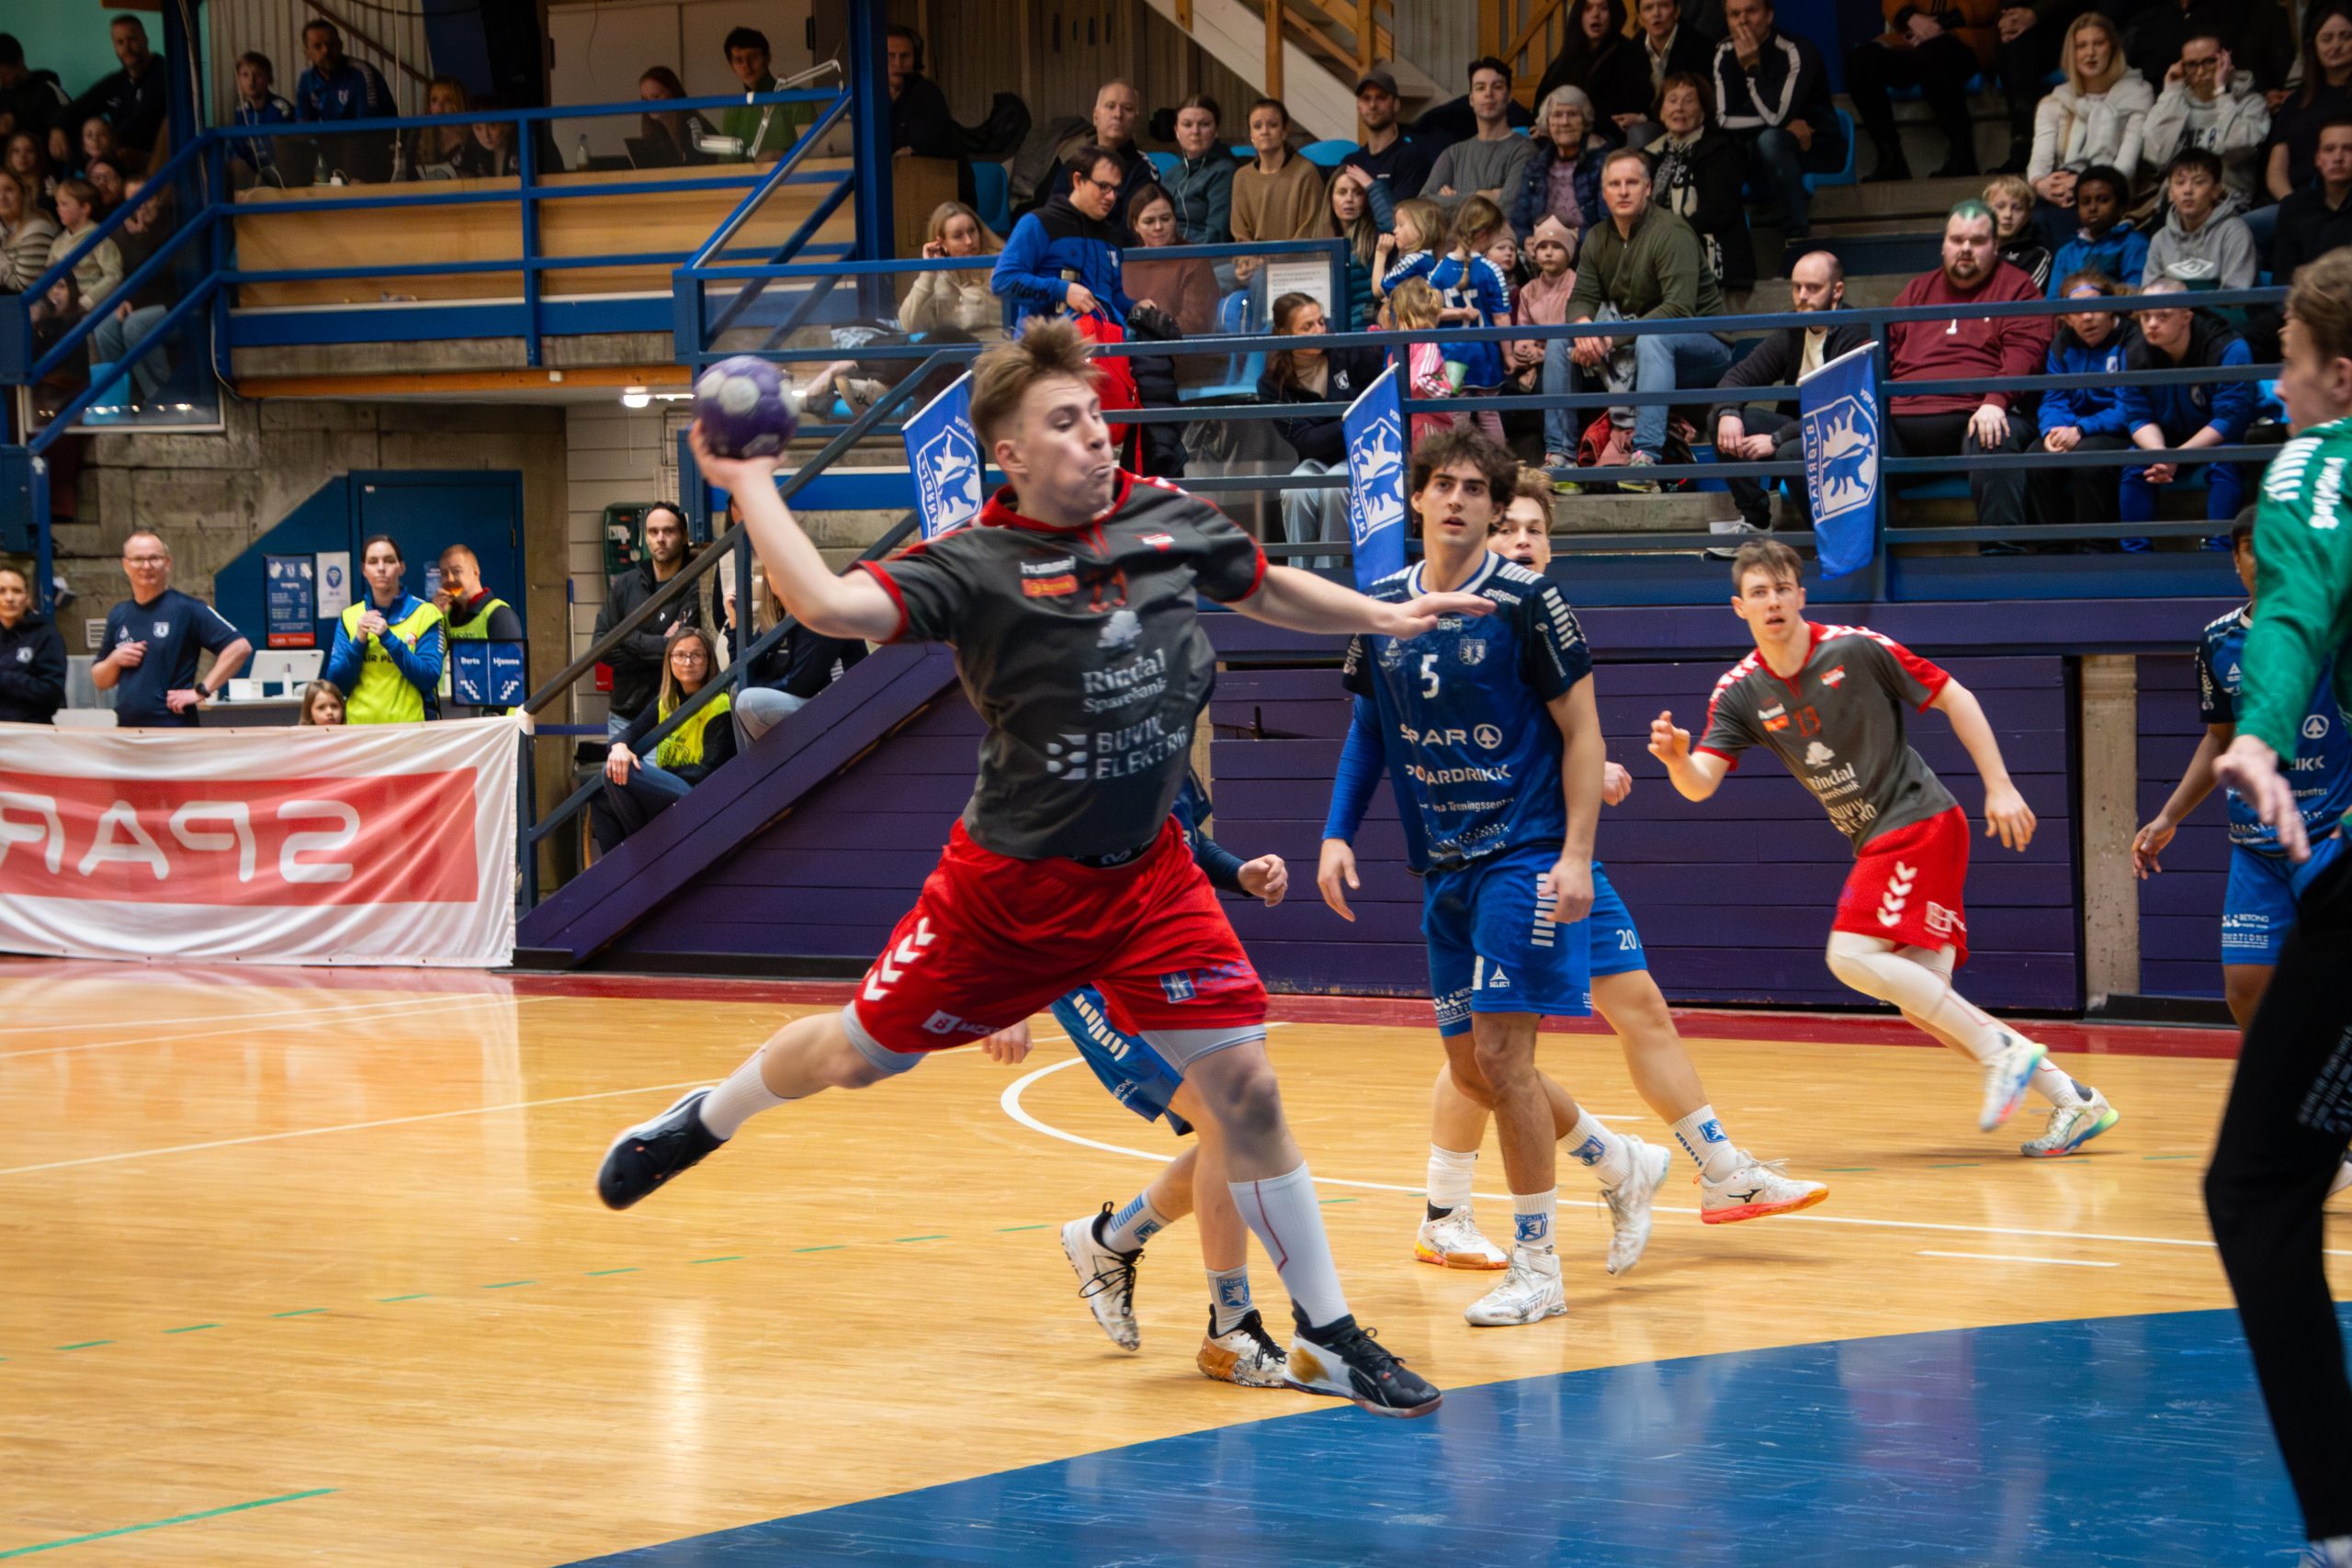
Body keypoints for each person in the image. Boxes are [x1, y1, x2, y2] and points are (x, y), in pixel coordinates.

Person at [597, 320, 1474, 1418]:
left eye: (1096, 414)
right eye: (1065, 423)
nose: (1095, 435)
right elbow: (827, 605)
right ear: (1008, 453)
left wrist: (1384, 614)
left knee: (1246, 1091)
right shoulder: (973, 565)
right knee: (855, 1056)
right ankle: (704, 1118)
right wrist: (748, 481)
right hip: (1009, 896)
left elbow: (1262, 586)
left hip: (1149, 878)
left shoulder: (1160, 515)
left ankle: (1326, 1334)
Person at [1385, 470, 1830, 1273]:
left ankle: (1722, 1170)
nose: (1523, 541)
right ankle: (1450, 1208)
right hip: (1495, 857)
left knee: (1638, 1006)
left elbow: (1551, 735)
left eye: (1536, 531)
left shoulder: (1538, 612)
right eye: (1509, 528)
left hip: (1557, 852)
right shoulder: (1453, 615)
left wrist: (1593, 773)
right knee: (1485, 1048)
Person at [1317, 429, 1677, 1326]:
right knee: (1473, 1070)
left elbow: (1584, 731)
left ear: (1491, 505)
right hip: (1440, 867)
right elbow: (1369, 730)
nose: (1457, 498)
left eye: (1475, 488)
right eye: (1442, 483)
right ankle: (1618, 1162)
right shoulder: (1383, 603)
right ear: (1415, 497)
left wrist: (1576, 854)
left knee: (1506, 1059)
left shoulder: (1527, 599)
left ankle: (1538, 1266)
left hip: (1523, 857)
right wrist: (1336, 834)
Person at [1650, 537, 2120, 1155]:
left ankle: (2005, 1053)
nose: (1773, 602)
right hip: (1882, 837)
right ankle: (2075, 1099)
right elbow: (1699, 785)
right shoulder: (1740, 691)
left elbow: (1955, 695)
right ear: (1740, 606)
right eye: (1759, 593)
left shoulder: (1854, 648)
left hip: (1920, 821)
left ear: (1801, 595)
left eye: (1783, 588)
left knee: (1848, 955)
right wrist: (1678, 760)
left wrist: (2000, 785)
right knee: (1924, 1004)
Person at [2201, 244, 2352, 1568]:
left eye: (2290, 366)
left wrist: (2258, 730)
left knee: (2253, 1191)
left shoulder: (2317, 463)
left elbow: (2293, 608)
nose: (2280, 387)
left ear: (2337, 375)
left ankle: (2339, 1528)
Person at [1032, 775, 1297, 1385]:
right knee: (1226, 1120)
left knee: (1237, 1125)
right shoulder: (1058, 743)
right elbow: (1005, 869)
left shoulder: (1164, 730)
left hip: (1166, 953)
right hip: (1090, 967)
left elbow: (1183, 838)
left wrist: (1240, 873)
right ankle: (1229, 1327)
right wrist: (1007, 995)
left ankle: (1112, 1240)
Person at [2137, 511, 2352, 1032]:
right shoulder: (2218, 640)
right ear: (2236, 559)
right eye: (2254, 546)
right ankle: (2285, 1081)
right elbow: (2220, 738)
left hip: (2330, 836)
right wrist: (2169, 817)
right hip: (2255, 847)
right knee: (2245, 988)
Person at [1564, 148, 1733, 486]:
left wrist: (1608, 337)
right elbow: (1582, 297)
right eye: (1614, 184)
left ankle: (1646, 459)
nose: (1623, 191)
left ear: (1648, 188)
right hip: (1636, 342)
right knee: (1560, 343)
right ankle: (1560, 458)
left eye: (1632, 182)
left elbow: (1678, 309)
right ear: (1604, 192)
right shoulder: (1597, 237)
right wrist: (1584, 328)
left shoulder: (1672, 232)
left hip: (1704, 346)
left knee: (1653, 339)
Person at [1884, 201, 2050, 542]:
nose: (1966, 249)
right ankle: (1864, 561)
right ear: (1943, 245)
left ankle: (2002, 556)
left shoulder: (2018, 288)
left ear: (1996, 245)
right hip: (1903, 418)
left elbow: (2026, 352)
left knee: (1994, 436)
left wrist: (1996, 401)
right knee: (1838, 446)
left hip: (1977, 413)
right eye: (1957, 240)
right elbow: (1881, 346)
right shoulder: (1917, 290)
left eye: (1977, 241)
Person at [1710, 251, 1867, 536]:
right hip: (1799, 430)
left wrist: (1777, 438)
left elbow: (1841, 409)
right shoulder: (1794, 328)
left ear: (1837, 291)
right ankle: (1756, 521)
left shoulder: (1854, 331)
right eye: (1796, 287)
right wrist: (1729, 412)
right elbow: (1739, 376)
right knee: (1720, 418)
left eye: (1813, 288)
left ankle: (1830, 538)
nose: (1802, 296)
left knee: (1789, 452)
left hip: (1842, 432)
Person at [1257, 292, 1385, 569]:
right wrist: (1350, 418)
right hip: (1315, 458)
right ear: (1284, 334)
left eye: (1321, 322)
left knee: (1335, 487)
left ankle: (1328, 575)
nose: (1319, 330)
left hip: (1360, 452)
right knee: (1295, 489)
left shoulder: (1349, 352)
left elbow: (1376, 407)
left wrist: (1345, 423)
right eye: (1308, 326)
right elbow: (1307, 442)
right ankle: (1300, 576)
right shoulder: (1271, 381)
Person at [2120, 277, 2253, 529]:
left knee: (2227, 460)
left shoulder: (2228, 348)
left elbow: (2229, 419)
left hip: (2216, 440)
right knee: (2134, 460)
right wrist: (2160, 453)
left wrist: (2179, 456)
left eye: (2163, 316)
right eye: (2145, 316)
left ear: (2186, 317)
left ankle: (2218, 547)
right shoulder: (2135, 351)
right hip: (2166, 440)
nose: (2152, 324)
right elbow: (2138, 415)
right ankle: (2134, 550)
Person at [593, 624, 735, 852]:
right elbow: (630, 732)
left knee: (622, 774)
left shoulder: (719, 704)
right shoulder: (666, 702)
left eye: (696, 655)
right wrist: (619, 747)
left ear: (709, 660)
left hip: (699, 793)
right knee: (601, 792)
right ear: (669, 660)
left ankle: (643, 850)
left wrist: (658, 776)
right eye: (680, 655)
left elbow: (709, 770)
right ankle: (632, 857)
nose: (687, 662)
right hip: (670, 789)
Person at [91, 532, 250, 728]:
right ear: (126, 565)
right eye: (138, 559)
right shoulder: (119, 613)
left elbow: (239, 647)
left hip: (174, 730)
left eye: (154, 558)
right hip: (128, 730)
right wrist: (114, 660)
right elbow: (100, 681)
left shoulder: (187, 609)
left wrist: (201, 691)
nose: (146, 566)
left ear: (167, 563)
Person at [1713, 0, 1842, 241]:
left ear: (1769, 15)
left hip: (1813, 146)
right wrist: (1781, 124)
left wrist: (1752, 69)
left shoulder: (1796, 50)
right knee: (1720, 147)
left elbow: (1776, 115)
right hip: (1756, 146)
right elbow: (1723, 119)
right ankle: (1724, 243)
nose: (1742, 21)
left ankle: (1796, 236)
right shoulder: (1725, 52)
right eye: (1734, 14)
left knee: (1771, 139)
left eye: (1751, 11)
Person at [592, 502, 708, 736]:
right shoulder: (626, 584)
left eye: (669, 531)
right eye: (653, 532)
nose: (660, 539)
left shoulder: (696, 585)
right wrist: (664, 650)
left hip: (675, 713)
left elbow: (684, 649)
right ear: (645, 537)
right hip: (624, 714)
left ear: (684, 536)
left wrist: (626, 637)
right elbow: (601, 646)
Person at [2030, 16, 2155, 231]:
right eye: (2081, 46)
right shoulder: (2055, 101)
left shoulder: (2137, 93)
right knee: (2041, 217)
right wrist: (2042, 184)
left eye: (2098, 43)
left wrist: (2082, 183)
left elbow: (2126, 166)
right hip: (2064, 192)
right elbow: (2039, 162)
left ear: (2113, 48)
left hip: (2113, 191)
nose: (2090, 53)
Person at [2031, 271, 2137, 529]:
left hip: (2122, 430)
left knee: (2088, 462)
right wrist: (2053, 430)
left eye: (2095, 307)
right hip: (2074, 427)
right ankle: (2051, 547)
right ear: (2067, 319)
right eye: (2077, 312)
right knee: (2036, 459)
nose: (2087, 317)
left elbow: (2130, 406)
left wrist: (2080, 430)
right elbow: (2054, 398)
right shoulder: (2062, 343)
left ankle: (2096, 546)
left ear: (2110, 308)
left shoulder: (2132, 339)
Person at [721, 567, 868, 746]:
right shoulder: (778, 618)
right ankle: (761, 763)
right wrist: (735, 624)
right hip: (807, 706)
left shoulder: (824, 610)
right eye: (774, 566)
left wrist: (754, 685)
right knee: (738, 691)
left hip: (841, 706)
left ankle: (764, 763)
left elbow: (800, 684)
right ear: (767, 578)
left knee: (748, 701)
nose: (783, 569)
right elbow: (743, 672)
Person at [1847, 0, 1988, 180]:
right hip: (1911, 36)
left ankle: (1962, 154)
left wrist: (1937, 25)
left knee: (1934, 54)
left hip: (1964, 37)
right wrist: (1910, 17)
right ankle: (1891, 159)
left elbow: (1987, 7)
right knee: (1861, 61)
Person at [2253, 115, 2352, 357]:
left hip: (2348, 309)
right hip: (2302, 307)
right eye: (2329, 149)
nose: (2338, 157)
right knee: (2246, 339)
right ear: (2318, 158)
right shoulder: (2294, 208)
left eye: (2348, 149)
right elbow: (2283, 274)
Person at [1645, 72, 1755, 289]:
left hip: (1710, 259)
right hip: (1660, 255)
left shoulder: (1722, 151)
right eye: (1672, 100)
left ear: (1703, 111)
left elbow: (1717, 213)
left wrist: (1668, 236)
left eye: (1689, 101)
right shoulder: (1649, 156)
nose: (1679, 108)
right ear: (1661, 111)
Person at [323, 535, 444, 724]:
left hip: (412, 729)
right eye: (373, 562)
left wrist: (389, 639)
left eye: (388, 560)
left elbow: (429, 678)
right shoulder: (349, 617)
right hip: (359, 730)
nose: (381, 568)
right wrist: (358, 642)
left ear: (401, 567)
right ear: (364, 570)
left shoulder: (426, 613)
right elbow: (337, 686)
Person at [2143, 31, 2273, 201]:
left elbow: (2234, 147)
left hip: (2228, 201)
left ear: (2226, 59)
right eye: (2192, 64)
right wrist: (2171, 92)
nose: (2200, 71)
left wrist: (2221, 91)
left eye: (2210, 61)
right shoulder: (2176, 101)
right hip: (2177, 203)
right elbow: (2156, 156)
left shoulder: (2251, 103)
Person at [85, 183, 173, 406]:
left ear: (158, 199)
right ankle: (125, 399)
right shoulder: (121, 234)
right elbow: (125, 276)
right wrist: (123, 300)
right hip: (140, 303)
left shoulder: (171, 223)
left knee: (135, 326)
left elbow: (168, 274)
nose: (141, 206)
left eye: (147, 198)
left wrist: (143, 238)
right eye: (134, 200)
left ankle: (160, 399)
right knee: (104, 329)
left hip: (174, 302)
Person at [1229, 97, 1324, 293]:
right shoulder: (1241, 177)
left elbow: (1309, 231)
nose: (1264, 131)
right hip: (1254, 265)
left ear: (1285, 130)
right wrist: (1245, 263)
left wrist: (1270, 261)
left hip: (1295, 265)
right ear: (1251, 134)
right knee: (1213, 277)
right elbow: (1240, 234)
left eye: (1272, 125)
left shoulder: (1305, 172)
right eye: (1257, 126)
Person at [1513, 215, 1584, 475]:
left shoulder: (1577, 283)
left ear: (1569, 252)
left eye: (1556, 247)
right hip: (1536, 360)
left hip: (1572, 357)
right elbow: (1522, 333)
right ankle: (1550, 454)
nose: (1549, 252)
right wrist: (1527, 351)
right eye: (1542, 247)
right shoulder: (1528, 290)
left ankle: (1563, 451)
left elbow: (1576, 330)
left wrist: (1545, 354)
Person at [2265, 2, 2352, 205]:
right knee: (2244, 223)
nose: (2336, 45)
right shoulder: (2296, 102)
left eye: (2346, 37)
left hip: (2347, 205)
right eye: (2326, 39)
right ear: (2313, 45)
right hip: (2297, 204)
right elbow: (2275, 173)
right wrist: (2296, 208)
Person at [56, 16, 164, 174]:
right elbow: (77, 110)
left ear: (145, 40)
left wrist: (111, 141)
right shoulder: (116, 82)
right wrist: (57, 128)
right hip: (119, 162)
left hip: (160, 162)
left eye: (132, 40)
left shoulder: (165, 74)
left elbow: (145, 116)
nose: (127, 47)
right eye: (120, 42)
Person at [1599, 0, 1716, 144]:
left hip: (1689, 126)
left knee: (1640, 134)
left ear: (1677, 11)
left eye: (1664, 5)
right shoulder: (1631, 50)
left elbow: (1703, 104)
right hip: (1651, 125)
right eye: (1648, 8)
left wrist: (1643, 118)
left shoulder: (1701, 47)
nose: (1656, 13)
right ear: (1640, 18)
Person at [1425, 60, 1533, 212]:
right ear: (1471, 99)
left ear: (1509, 96)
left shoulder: (1524, 151)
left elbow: (1508, 209)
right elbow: (1422, 204)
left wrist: (1449, 201)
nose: (1488, 94)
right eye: (1480, 87)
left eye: (1497, 87)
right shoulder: (1454, 153)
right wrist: (1483, 196)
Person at [294, 20, 395, 184]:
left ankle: (356, 192)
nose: (326, 50)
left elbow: (367, 126)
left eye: (331, 44)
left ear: (340, 45)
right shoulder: (306, 79)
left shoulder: (360, 72)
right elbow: (303, 126)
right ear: (307, 53)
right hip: (332, 146)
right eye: (318, 46)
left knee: (354, 142)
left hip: (372, 148)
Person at [1510, 85, 1606, 252]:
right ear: (1547, 122)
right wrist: (1525, 240)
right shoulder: (1535, 167)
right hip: (1542, 252)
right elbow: (1518, 222)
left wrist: (1574, 237)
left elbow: (1609, 227)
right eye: (1557, 115)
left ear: (1584, 120)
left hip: (1586, 253)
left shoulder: (1600, 164)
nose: (1564, 122)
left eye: (1572, 114)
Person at [2143, 146, 2256, 288]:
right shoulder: (2160, 240)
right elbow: (2149, 293)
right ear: (2170, 193)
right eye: (2180, 182)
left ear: (2216, 190)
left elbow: (2236, 295)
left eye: (2199, 182)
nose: (2188, 190)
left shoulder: (2234, 232)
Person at [435, 543, 523, 716]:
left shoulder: (498, 614)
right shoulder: (445, 615)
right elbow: (434, 661)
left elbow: (510, 671)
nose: (450, 579)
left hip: (498, 721)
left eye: (456, 571)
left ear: (475, 572)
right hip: (457, 716)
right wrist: (435, 617)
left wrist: (492, 716)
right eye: (444, 573)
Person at [902, 199, 1005, 340]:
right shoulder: (936, 278)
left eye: (972, 231)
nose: (969, 241)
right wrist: (928, 271)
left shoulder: (999, 265)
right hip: (952, 352)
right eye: (958, 236)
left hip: (996, 349)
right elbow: (908, 325)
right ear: (941, 243)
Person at [1990, 0, 2072, 173]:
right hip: (2024, 35)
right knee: (2012, 48)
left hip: (2065, 26)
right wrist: (2006, 21)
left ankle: (2025, 141)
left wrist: (2034, 14)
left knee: (2018, 49)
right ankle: (2021, 143)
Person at [1050, 81, 1151, 220]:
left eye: (1127, 108)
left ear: (1135, 121)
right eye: (1110, 106)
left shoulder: (1143, 171)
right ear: (1095, 116)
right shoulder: (1073, 164)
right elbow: (1052, 216)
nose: (1118, 114)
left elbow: (1133, 227)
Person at [2045, 164, 2148, 295]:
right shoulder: (2066, 253)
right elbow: (2053, 301)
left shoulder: (2135, 244)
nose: (2093, 208)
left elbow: (2134, 295)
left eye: (2103, 200)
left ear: (2121, 206)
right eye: (2085, 202)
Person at [719, 28, 817, 163]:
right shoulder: (734, 109)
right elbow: (727, 164)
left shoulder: (794, 98)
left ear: (767, 57)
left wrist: (782, 156)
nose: (746, 66)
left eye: (753, 57)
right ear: (732, 66)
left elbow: (815, 149)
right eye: (739, 60)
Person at [1341, 67, 1435, 206]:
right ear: (1358, 106)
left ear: (1396, 104)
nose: (1372, 105)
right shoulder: (1351, 162)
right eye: (1366, 98)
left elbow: (1399, 216)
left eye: (1381, 97)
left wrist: (1371, 187)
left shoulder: (1412, 158)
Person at [886, 24, 964, 186]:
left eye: (905, 56)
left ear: (915, 59)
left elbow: (922, 146)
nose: (898, 63)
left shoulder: (927, 94)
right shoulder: (870, 98)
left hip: (939, 189)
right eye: (890, 56)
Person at [1534, 0, 1636, 118]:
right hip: (1558, 126)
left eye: (1603, 8)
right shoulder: (1569, 54)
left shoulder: (1628, 53)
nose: (1595, 14)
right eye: (1587, 8)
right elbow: (1542, 102)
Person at [0, 564, 66, 725]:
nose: (9, 598)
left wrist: (5, 678)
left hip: (32, 731)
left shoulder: (46, 635)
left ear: (27, 597)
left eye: (16, 591)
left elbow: (52, 693)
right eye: (1, 591)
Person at [1165, 95, 1234, 246]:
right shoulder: (1170, 174)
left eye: (1204, 124)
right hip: (1167, 252)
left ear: (1216, 130)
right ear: (1176, 131)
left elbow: (1217, 233)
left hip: (1203, 254)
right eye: (1187, 124)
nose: (1195, 131)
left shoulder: (1224, 170)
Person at [45, 179, 120, 315]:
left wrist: (87, 301)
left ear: (85, 208)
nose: (58, 209)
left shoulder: (99, 238)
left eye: (64, 204)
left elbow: (113, 275)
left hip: (89, 309)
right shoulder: (58, 242)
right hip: (60, 305)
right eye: (57, 204)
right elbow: (47, 275)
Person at [1323, 165, 1381, 330]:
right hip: (1328, 330)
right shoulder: (1320, 237)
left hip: (1364, 328)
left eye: (1357, 193)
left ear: (1366, 199)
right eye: (1342, 192)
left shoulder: (1376, 237)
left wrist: (1373, 188)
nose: (1349, 199)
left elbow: (1391, 225)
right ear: (1331, 198)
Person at [226, 51, 297, 185]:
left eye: (258, 75)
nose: (251, 81)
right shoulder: (241, 113)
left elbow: (287, 150)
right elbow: (237, 150)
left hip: (282, 176)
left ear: (269, 78)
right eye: (245, 75)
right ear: (238, 80)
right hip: (253, 176)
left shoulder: (281, 109)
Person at [0, 34, 68, 159]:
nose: (2, 81)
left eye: (5, 74)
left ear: (20, 62)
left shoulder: (46, 89)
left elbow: (66, 114)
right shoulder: (3, 94)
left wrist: (57, 128)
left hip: (45, 162)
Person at [1983, 173, 2052, 291]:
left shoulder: (2036, 256)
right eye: (2000, 206)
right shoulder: (1974, 250)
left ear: (2027, 216)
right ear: (1985, 210)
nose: (2008, 215)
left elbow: (2023, 295)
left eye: (2017, 208)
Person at [635, 66, 715, 166]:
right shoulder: (658, 133)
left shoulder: (693, 125)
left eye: (656, 97)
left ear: (673, 94)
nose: (650, 104)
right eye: (645, 100)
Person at [403, 75, 471, 179]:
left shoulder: (475, 136)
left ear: (459, 103)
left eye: (448, 100)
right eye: (434, 100)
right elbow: (409, 177)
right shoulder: (417, 135)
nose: (439, 107)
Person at [0, 170, 56, 292]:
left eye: (9, 190)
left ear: (23, 194)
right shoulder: (6, 229)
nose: (2, 197)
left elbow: (23, 287)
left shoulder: (37, 227)